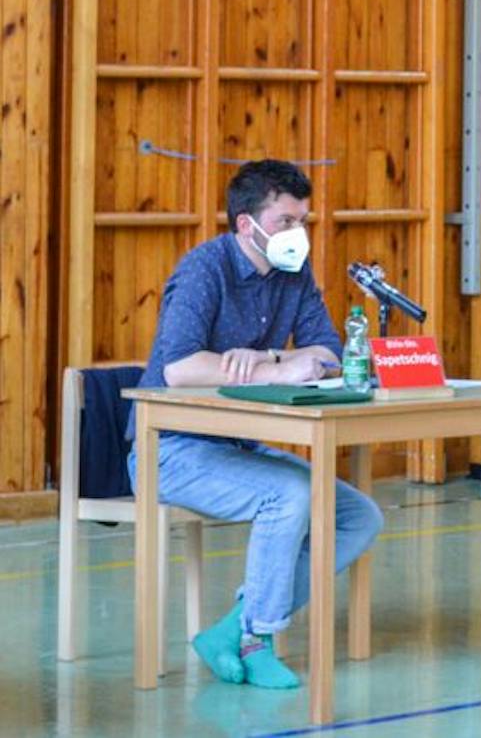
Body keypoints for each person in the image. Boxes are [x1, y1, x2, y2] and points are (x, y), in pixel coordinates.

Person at [125, 159, 384, 690]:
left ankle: (230, 628)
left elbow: (328, 351)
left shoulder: (295, 273)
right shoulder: (204, 269)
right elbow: (178, 369)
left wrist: (268, 358)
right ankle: (256, 638)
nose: (300, 233)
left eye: (304, 220)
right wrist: (279, 364)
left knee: (359, 516)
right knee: (288, 494)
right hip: (172, 451)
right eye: (289, 221)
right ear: (248, 224)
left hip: (237, 447)